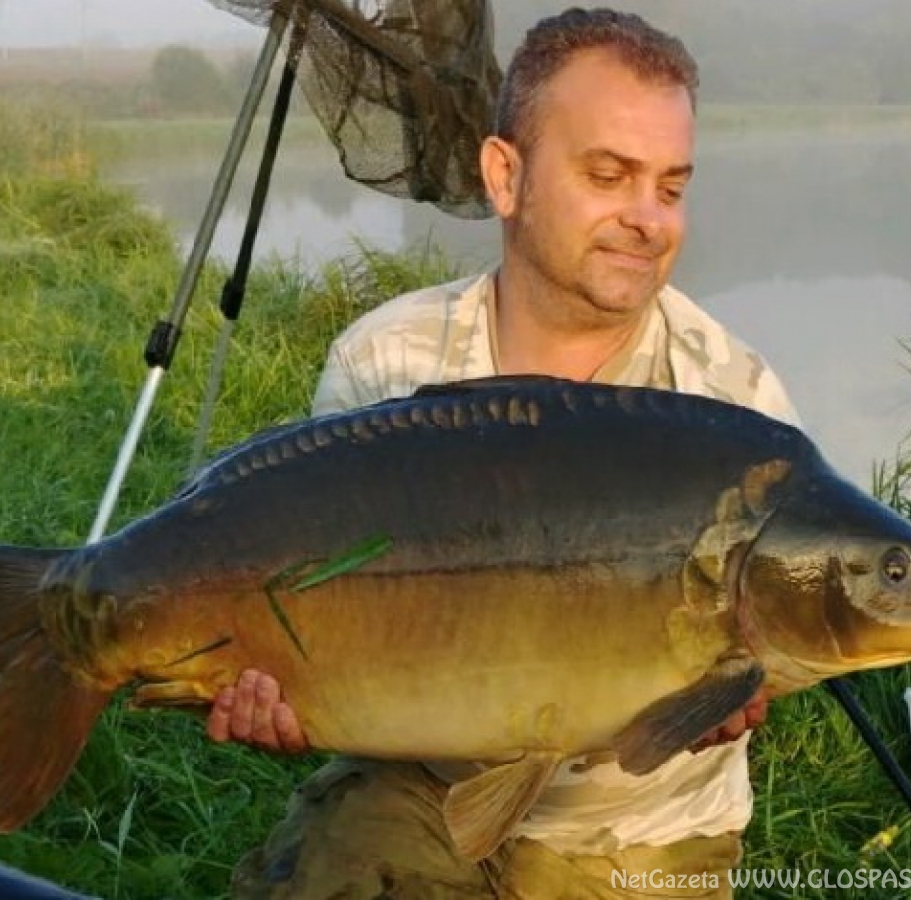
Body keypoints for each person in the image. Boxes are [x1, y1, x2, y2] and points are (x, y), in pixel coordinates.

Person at [209, 8, 798, 898]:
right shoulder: (389, 362)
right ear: (504, 175)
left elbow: (773, 633)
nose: (646, 219)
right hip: (416, 787)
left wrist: (734, 690)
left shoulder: (731, 400)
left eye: (670, 187)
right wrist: (285, 683)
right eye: (608, 176)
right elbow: (321, 617)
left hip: (639, 833)